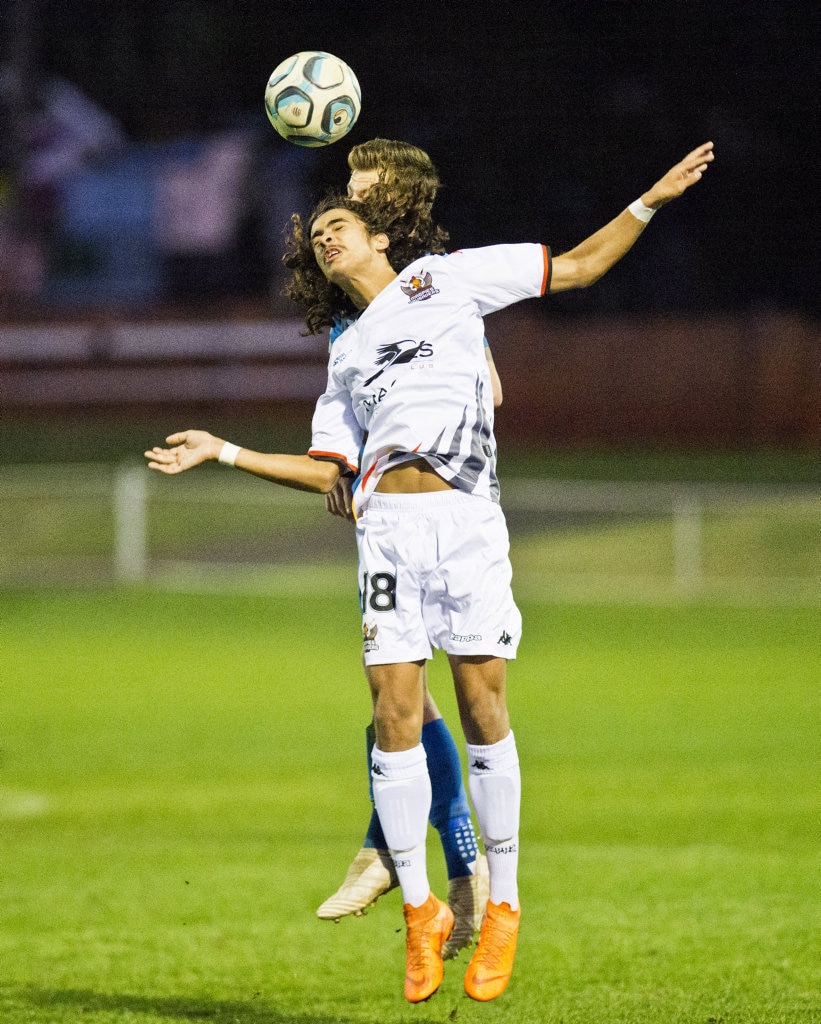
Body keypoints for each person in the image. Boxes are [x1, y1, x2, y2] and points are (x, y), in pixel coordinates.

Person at [145, 139, 714, 1003]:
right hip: (389, 536)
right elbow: (327, 469)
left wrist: (651, 197)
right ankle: (421, 912)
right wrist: (223, 450)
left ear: (381, 235)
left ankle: (503, 903)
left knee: (484, 707)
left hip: (466, 524)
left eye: (341, 223)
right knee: (392, 713)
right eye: (319, 233)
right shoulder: (343, 357)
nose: (327, 236)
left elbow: (582, 267)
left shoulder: (448, 280)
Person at [316, 140, 499, 958]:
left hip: (449, 501)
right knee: (398, 698)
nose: (351, 200)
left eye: (363, 190)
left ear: (398, 207)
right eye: (349, 189)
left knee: (430, 698)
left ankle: (404, 853)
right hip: (387, 509)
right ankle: (418, 860)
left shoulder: (437, 279)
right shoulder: (348, 318)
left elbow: (491, 387)